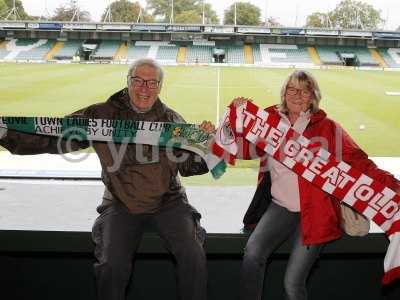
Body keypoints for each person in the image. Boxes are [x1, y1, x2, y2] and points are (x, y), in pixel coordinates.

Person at [0, 58, 215, 300]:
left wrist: (206, 146)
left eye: (152, 82)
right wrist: (8, 133)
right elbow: (57, 135)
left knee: (193, 256)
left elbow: (187, 167)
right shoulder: (102, 115)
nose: (145, 88)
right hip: (120, 201)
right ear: (128, 81)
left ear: (160, 86)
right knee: (112, 266)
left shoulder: (172, 120)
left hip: (169, 200)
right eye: (138, 81)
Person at [230, 70, 400, 300]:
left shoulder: (328, 128)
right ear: (284, 92)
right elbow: (244, 150)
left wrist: (393, 188)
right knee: (252, 253)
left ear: (313, 96)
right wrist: (237, 120)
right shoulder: (269, 119)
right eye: (292, 88)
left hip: (316, 211)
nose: (297, 95)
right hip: (279, 207)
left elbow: (359, 162)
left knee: (292, 282)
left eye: (304, 90)